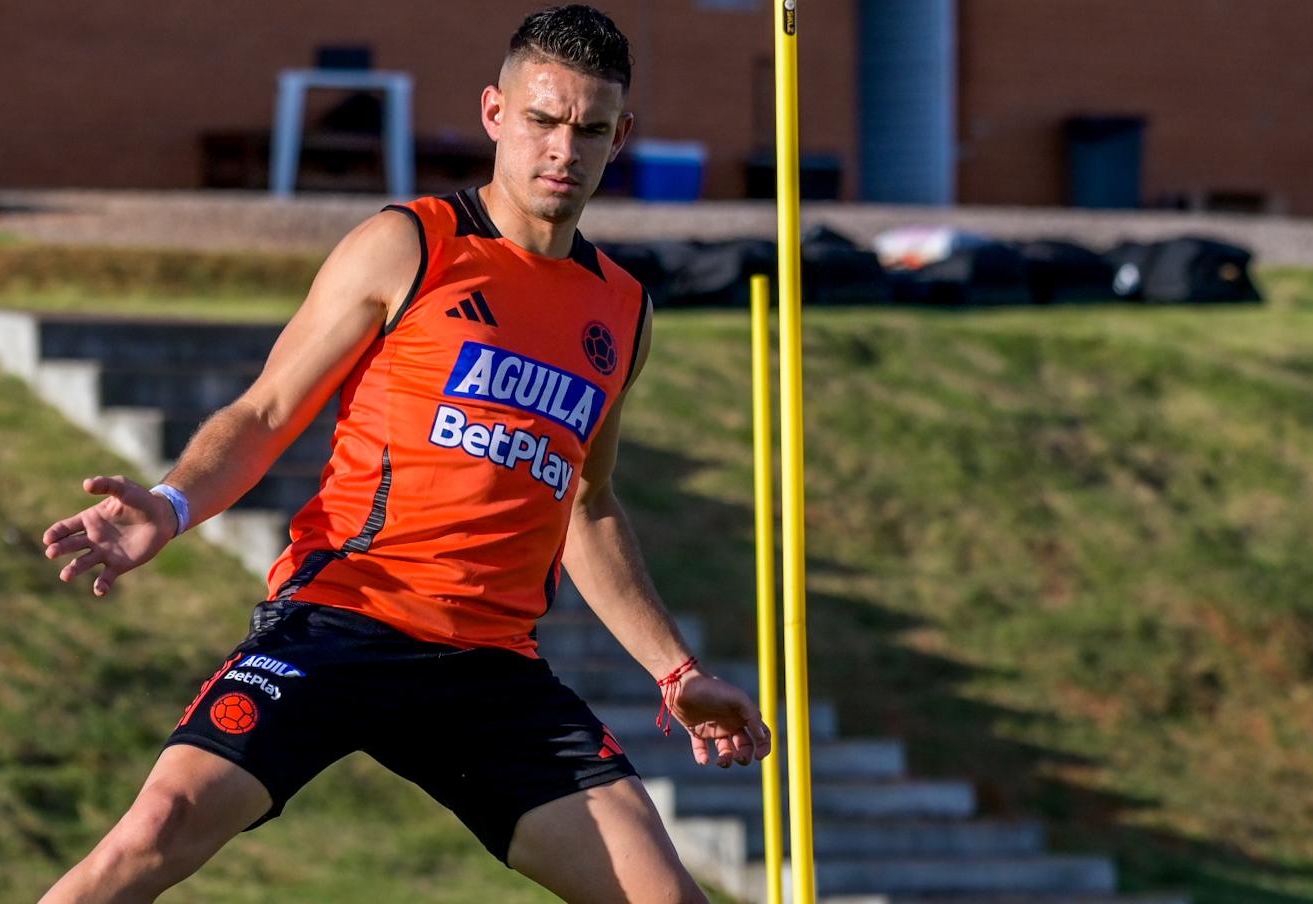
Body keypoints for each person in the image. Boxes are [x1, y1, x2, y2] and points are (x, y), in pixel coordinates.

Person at [38, 6, 768, 902]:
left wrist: (677, 671)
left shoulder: (622, 309)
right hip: (344, 619)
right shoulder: (410, 244)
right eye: (542, 120)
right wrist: (174, 503)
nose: (562, 150)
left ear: (621, 137)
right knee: (152, 833)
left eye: (588, 130)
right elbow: (266, 410)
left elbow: (587, 500)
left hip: (491, 667)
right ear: (496, 114)